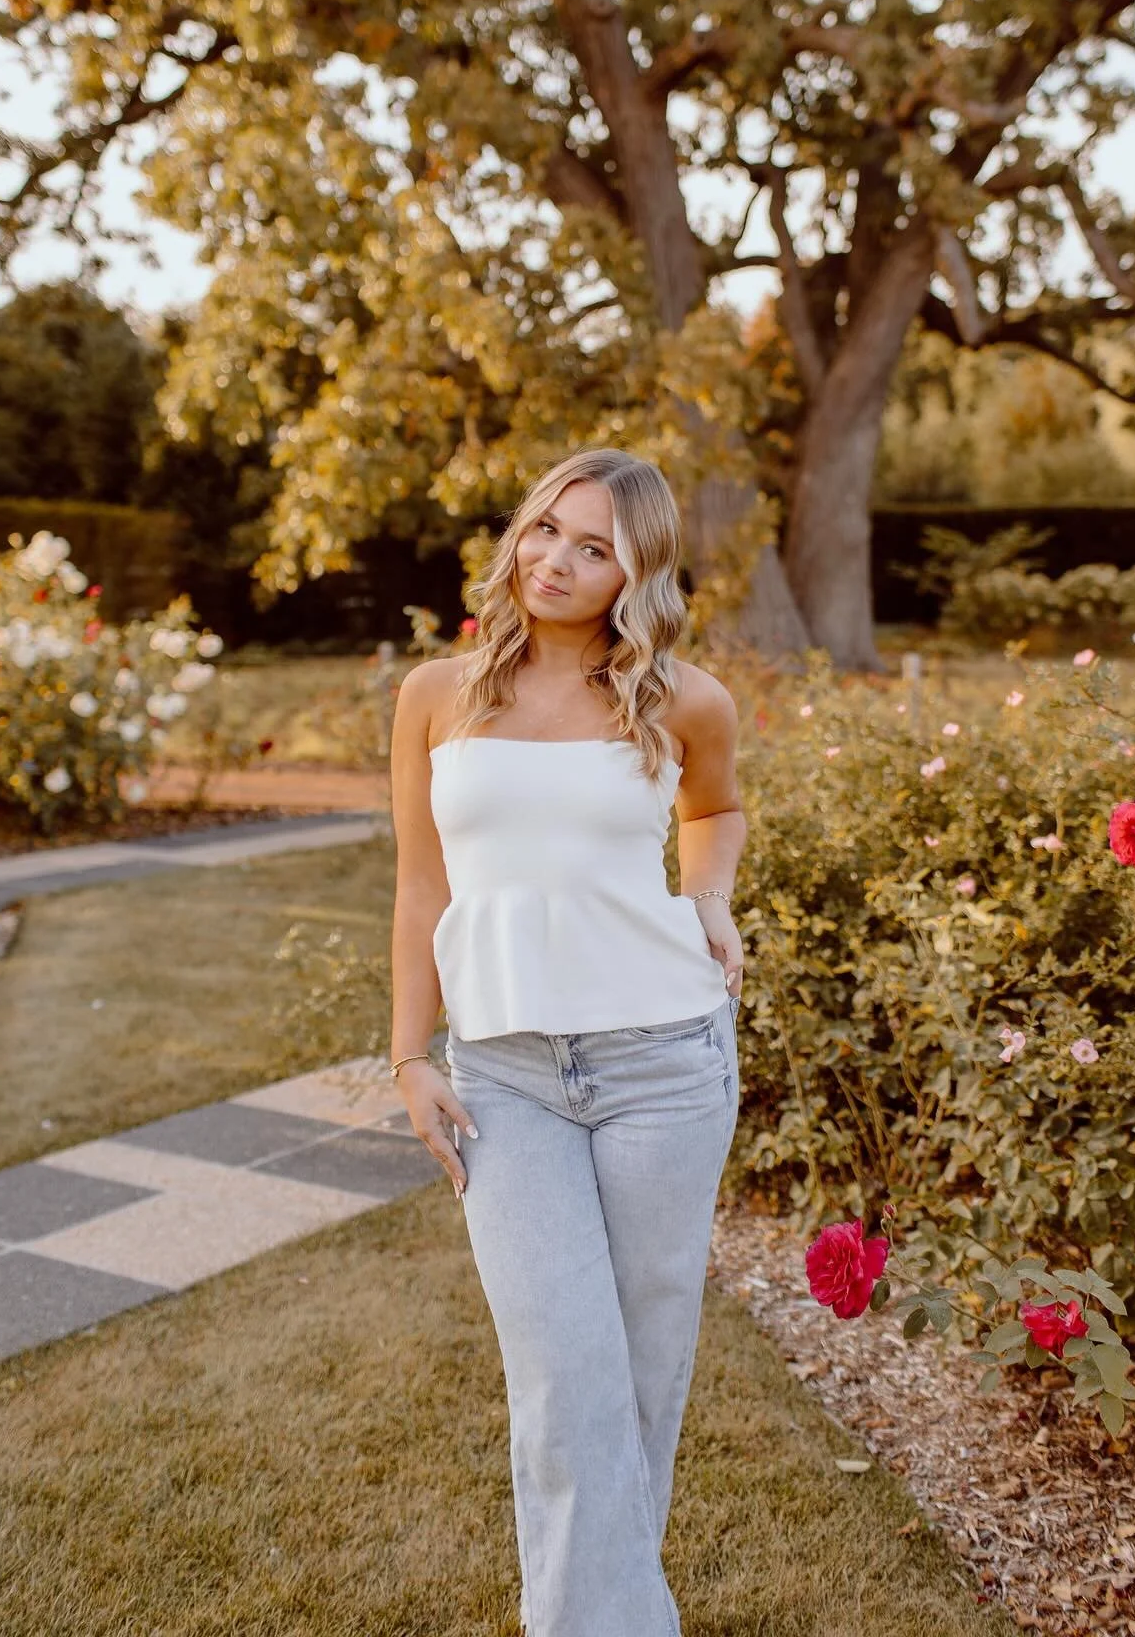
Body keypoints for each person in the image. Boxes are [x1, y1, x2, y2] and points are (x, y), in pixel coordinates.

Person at [388, 446, 747, 1637]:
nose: (557, 560)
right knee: (562, 1375)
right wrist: (409, 1054)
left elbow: (717, 807)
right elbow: (418, 882)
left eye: (596, 547)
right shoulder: (439, 694)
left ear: (634, 571)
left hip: (663, 1058)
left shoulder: (681, 698)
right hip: (507, 1074)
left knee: (641, 1372)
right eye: (548, 528)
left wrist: (710, 898)